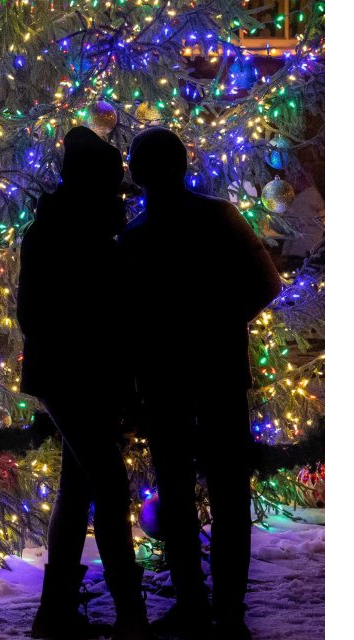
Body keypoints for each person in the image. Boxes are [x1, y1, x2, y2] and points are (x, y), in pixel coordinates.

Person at [118, 129, 282, 640]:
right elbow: (267, 283)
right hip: (217, 373)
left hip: (166, 380)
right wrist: (220, 324)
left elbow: (126, 321)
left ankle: (194, 604)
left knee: (177, 492)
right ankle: (227, 611)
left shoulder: (135, 236)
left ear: (137, 174)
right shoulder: (218, 217)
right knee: (228, 493)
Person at [17, 126, 151, 640]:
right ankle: (128, 612)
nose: (119, 193)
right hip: (73, 375)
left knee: (78, 488)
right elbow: (41, 312)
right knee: (109, 484)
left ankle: (56, 612)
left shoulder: (72, 228)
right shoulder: (70, 233)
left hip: (77, 374)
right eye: (111, 183)